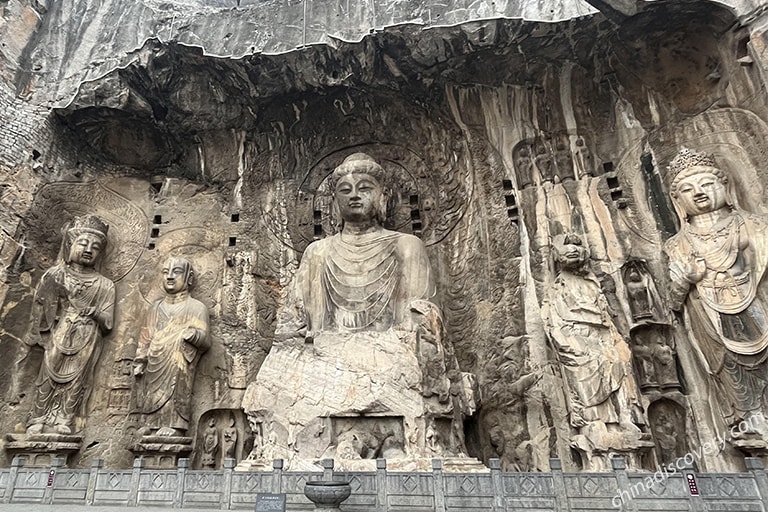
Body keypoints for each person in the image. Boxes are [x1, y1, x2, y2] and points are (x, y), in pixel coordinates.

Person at [277, 152, 435, 339]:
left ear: (382, 197)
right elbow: (296, 321)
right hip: (326, 353)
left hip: (390, 350)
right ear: (334, 202)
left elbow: (418, 319)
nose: (354, 196)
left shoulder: (407, 246)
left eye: (364, 188)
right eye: (345, 190)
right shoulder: (317, 252)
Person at [664, 147, 768, 430]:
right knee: (730, 371)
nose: (699, 193)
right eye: (687, 189)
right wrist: (687, 279)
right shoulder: (677, 245)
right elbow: (672, 302)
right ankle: (751, 425)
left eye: (707, 183)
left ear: (725, 185)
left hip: (757, 303)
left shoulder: (755, 225)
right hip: (710, 317)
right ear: (677, 200)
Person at [25, 215, 115, 434]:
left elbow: (109, 321)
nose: (88, 250)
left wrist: (94, 313)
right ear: (70, 245)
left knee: (78, 377)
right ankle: (37, 418)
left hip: (87, 334)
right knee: (48, 371)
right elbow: (41, 310)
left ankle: (65, 418)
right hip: (60, 330)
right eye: (83, 243)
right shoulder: (55, 275)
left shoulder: (105, 284)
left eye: (95, 247)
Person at [133, 257, 210, 436]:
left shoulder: (196, 307)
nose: (169, 277)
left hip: (178, 362)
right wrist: (140, 360)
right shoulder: (155, 307)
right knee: (149, 391)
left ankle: (175, 425)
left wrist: (192, 335)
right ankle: (149, 423)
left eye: (176, 272)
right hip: (154, 360)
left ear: (189, 278)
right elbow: (145, 338)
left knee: (176, 389)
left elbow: (205, 341)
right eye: (166, 272)